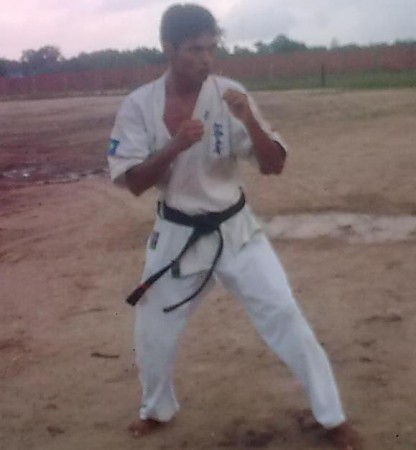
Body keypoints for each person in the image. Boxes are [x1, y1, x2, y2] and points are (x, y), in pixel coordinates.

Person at [107, 3, 362, 449]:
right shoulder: (139, 105)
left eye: (211, 48)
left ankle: (332, 416)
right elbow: (133, 183)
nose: (206, 58)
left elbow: (273, 165)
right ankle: (157, 409)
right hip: (178, 233)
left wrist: (250, 122)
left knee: (284, 313)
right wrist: (174, 146)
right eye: (194, 49)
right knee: (152, 326)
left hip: (236, 229)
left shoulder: (230, 95)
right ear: (168, 48)